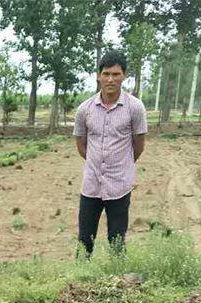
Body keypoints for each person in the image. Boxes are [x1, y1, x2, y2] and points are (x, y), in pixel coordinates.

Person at [72, 51, 147, 257]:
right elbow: (81, 144)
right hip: (91, 186)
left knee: (116, 239)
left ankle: (117, 281)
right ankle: (79, 280)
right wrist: (97, 164)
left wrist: (121, 166)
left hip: (119, 186)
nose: (110, 79)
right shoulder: (84, 109)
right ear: (98, 76)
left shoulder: (135, 108)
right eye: (106, 74)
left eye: (116, 74)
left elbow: (138, 146)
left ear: (124, 76)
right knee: (84, 240)